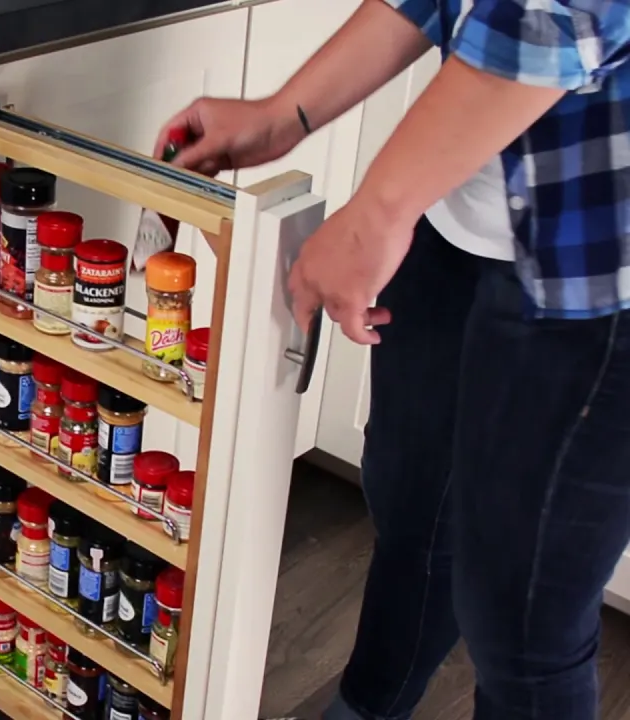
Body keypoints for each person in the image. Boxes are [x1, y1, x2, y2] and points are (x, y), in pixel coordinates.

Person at [156, 0, 630, 717]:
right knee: (416, 514)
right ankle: (367, 706)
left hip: (597, 271)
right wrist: (286, 112)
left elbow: (549, 18)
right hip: (455, 220)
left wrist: (378, 212)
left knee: (524, 632)